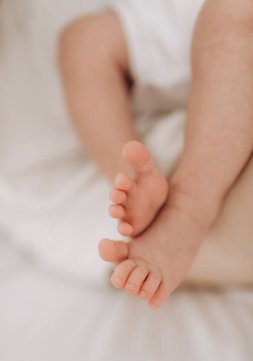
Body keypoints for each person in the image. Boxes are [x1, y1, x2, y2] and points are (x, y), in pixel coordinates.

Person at [59, 0, 253, 309]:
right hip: (161, 19)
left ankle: (187, 209)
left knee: (233, 11)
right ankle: (139, 187)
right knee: (80, 43)